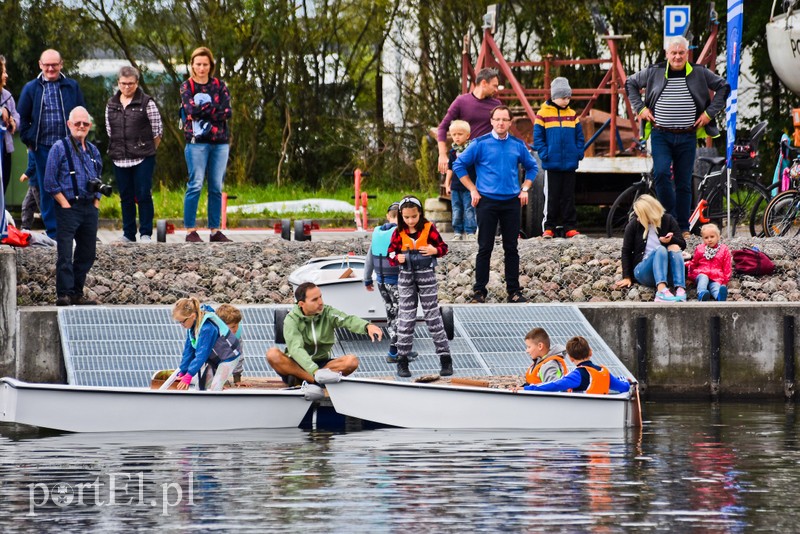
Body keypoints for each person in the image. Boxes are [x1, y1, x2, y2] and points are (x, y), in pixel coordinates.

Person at [625, 36, 730, 237]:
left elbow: (723, 87)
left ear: (687, 53)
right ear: (667, 54)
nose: (677, 56)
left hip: (687, 135)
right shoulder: (654, 71)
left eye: (681, 52)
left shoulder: (699, 72)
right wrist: (641, 109)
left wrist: (709, 114)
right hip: (661, 134)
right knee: (662, 174)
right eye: (673, 52)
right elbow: (630, 83)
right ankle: (669, 221)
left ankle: (683, 227)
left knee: (683, 182)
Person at [453, 105, 539, 304]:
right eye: (497, 119)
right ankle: (479, 291)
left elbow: (532, 167)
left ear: (510, 122)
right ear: (491, 121)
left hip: (511, 202)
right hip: (487, 202)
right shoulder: (480, 143)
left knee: (512, 248)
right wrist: (472, 189)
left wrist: (525, 188)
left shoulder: (518, 145)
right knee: (485, 247)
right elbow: (458, 165)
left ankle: (514, 291)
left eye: (504, 119)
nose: (500, 123)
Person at [18, 49, 86, 239]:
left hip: (69, 147)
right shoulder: (31, 88)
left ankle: (72, 229)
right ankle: (54, 233)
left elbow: (82, 113)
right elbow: (22, 119)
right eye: (46, 65)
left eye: (54, 65)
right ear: (40, 65)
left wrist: (80, 140)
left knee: (72, 187)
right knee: (48, 189)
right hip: (42, 148)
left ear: (61, 64)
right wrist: (29, 141)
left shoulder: (72, 86)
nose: (50, 68)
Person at [266, 282, 383, 391]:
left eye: (320, 297)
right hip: (297, 365)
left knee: (351, 361)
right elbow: (296, 349)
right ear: (302, 304)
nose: (320, 302)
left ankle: (304, 380)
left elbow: (347, 320)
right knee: (272, 354)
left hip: (323, 364)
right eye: (315, 299)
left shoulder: (327, 312)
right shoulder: (291, 320)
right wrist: (315, 372)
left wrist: (367, 326)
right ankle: (315, 380)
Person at [387, 195, 452, 378]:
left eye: (414, 216)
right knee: (406, 319)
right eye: (406, 217)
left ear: (420, 213)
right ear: (401, 216)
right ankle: (402, 360)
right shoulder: (398, 232)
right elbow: (390, 252)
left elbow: (443, 248)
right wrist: (396, 258)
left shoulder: (429, 228)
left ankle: (445, 358)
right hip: (406, 276)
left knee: (433, 316)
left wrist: (434, 250)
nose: (410, 220)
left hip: (426, 275)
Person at [44, 107, 103, 306]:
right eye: (77, 123)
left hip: (89, 208)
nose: (81, 126)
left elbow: (99, 179)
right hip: (68, 207)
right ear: (69, 124)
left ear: (90, 126)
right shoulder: (59, 148)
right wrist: (65, 204)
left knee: (87, 252)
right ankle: (64, 294)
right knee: (65, 253)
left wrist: (96, 203)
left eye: (85, 123)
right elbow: (50, 181)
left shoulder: (94, 150)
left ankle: (77, 292)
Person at [180, 46, 232, 243]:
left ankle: (214, 229)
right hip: (196, 143)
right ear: (192, 65)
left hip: (219, 142)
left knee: (216, 186)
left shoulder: (219, 85)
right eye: (198, 64)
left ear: (211, 66)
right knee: (195, 184)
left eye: (205, 64)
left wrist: (203, 110)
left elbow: (227, 112)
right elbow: (189, 109)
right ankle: (190, 229)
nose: (201, 68)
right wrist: (212, 110)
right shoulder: (187, 87)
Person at [105, 66, 162, 243]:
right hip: (119, 158)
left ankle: (145, 233)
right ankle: (128, 234)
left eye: (130, 84)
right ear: (118, 83)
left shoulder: (147, 103)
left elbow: (157, 131)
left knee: (144, 194)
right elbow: (109, 130)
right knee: (125, 196)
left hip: (143, 157)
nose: (127, 87)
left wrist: (146, 149)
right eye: (123, 84)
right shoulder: (111, 104)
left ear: (136, 83)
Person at [364, 201, 419, 364]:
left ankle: (399, 350)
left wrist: (367, 278)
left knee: (392, 316)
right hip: (397, 283)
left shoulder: (378, 233)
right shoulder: (401, 234)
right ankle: (395, 352)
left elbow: (369, 259)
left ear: (388, 216)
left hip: (381, 283)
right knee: (403, 316)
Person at [533, 77, 585, 239]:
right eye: (563, 97)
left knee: (568, 197)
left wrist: (578, 152)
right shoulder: (542, 114)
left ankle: (570, 227)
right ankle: (549, 227)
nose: (566, 100)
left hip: (569, 163)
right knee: (552, 197)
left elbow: (579, 136)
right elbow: (538, 138)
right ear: (554, 96)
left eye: (568, 97)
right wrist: (544, 154)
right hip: (552, 164)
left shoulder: (572, 115)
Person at [614, 194, 687, 302]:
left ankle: (680, 290)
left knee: (674, 246)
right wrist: (627, 276)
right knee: (661, 249)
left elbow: (683, 245)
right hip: (643, 271)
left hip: (667, 272)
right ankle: (661, 291)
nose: (638, 218)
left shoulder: (668, 219)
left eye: (641, 215)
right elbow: (626, 251)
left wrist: (671, 240)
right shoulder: (633, 224)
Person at [437, 67, 502, 174]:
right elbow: (442, 128)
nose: (496, 90)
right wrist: (442, 154)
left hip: (488, 161)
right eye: (494, 86)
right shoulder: (461, 101)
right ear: (484, 83)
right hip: (466, 158)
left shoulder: (496, 105)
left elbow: (502, 131)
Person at [172, 298, 243, 391]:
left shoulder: (207, 328)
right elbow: (188, 351)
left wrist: (189, 375)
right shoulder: (192, 327)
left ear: (193, 316)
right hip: (214, 359)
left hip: (229, 357)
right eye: (179, 322)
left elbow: (202, 354)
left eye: (182, 321)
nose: (181, 325)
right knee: (201, 386)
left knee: (215, 387)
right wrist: (183, 371)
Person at [523, 336, 631, 394]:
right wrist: (623, 378)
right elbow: (624, 387)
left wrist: (526, 389)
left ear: (571, 358)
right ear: (590, 352)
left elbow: (554, 385)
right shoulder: (604, 373)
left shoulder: (576, 375)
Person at [444, 120, 477, 241]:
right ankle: (457, 231)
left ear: (467, 135)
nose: (456, 137)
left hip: (469, 186)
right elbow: (450, 169)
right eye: (454, 134)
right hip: (456, 187)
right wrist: (447, 185)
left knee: (469, 209)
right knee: (457, 209)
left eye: (460, 134)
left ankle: (470, 231)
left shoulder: (472, 150)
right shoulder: (452, 152)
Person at [687, 223, 732, 301]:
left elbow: (727, 266)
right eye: (706, 237)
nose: (709, 240)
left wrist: (725, 281)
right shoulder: (700, 248)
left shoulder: (723, 249)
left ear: (718, 237)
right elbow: (694, 263)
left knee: (715, 286)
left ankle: (719, 296)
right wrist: (690, 277)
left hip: (716, 275)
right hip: (702, 273)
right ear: (703, 239)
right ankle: (702, 294)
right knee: (703, 278)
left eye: (712, 237)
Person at [0, 55, 20, 195]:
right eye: (3, 72)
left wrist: (14, 122)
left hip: (5, 150)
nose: (6, 75)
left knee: (3, 187)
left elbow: (16, 115)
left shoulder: (7, 95)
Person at [213, 303, 245, 385]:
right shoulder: (213, 334)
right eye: (233, 327)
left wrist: (237, 379)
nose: (236, 329)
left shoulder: (236, 334)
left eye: (238, 325)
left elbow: (239, 356)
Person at [19, 150, 40, 231]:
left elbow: (33, 163)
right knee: (27, 205)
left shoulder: (33, 146)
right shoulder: (31, 147)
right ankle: (25, 228)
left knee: (43, 207)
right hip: (33, 182)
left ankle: (52, 230)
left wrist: (27, 173)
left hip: (37, 182)